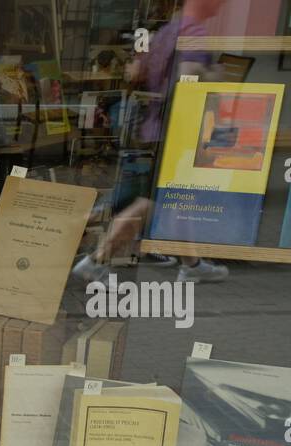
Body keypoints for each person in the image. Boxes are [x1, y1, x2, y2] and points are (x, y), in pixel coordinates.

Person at [72, 0, 231, 285]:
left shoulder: (167, 32)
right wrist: (216, 76)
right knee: (149, 203)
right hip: (171, 134)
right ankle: (96, 260)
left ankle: (192, 264)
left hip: (152, 130)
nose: (222, 4)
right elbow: (188, 76)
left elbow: (135, 72)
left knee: (174, 200)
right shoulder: (192, 32)